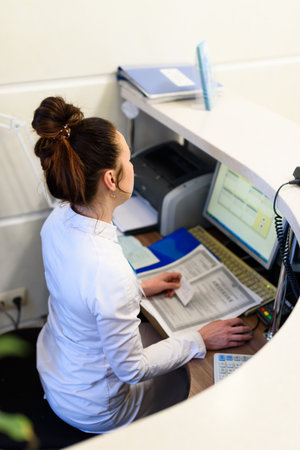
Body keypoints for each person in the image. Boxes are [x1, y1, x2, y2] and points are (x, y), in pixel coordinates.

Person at [32, 96, 253, 434]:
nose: (133, 167)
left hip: (57, 367)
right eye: (129, 159)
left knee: (156, 336)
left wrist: (140, 287)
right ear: (111, 179)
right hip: (95, 406)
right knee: (198, 387)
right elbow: (131, 370)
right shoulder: (108, 270)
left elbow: (84, 292)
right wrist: (200, 338)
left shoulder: (59, 219)